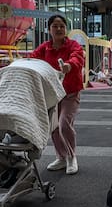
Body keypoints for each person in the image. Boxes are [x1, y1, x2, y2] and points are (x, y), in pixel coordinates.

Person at [29, 14, 85, 175]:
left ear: (66, 29)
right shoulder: (45, 47)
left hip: (70, 93)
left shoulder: (73, 45)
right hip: (52, 94)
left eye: (62, 26)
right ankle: (61, 157)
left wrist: (69, 66)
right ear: (49, 29)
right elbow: (32, 59)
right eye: (55, 26)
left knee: (64, 124)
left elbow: (77, 58)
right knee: (53, 128)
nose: (59, 29)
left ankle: (71, 157)